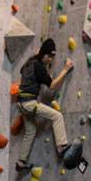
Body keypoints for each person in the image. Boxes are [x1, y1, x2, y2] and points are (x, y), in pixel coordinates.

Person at [16, 38, 74, 172]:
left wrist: (39, 56)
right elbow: (52, 86)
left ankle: (20, 162)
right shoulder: (39, 67)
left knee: (31, 131)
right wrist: (65, 69)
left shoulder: (29, 62)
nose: (51, 61)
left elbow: (21, 70)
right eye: (49, 57)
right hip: (30, 103)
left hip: (22, 104)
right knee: (57, 116)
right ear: (45, 54)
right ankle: (61, 147)